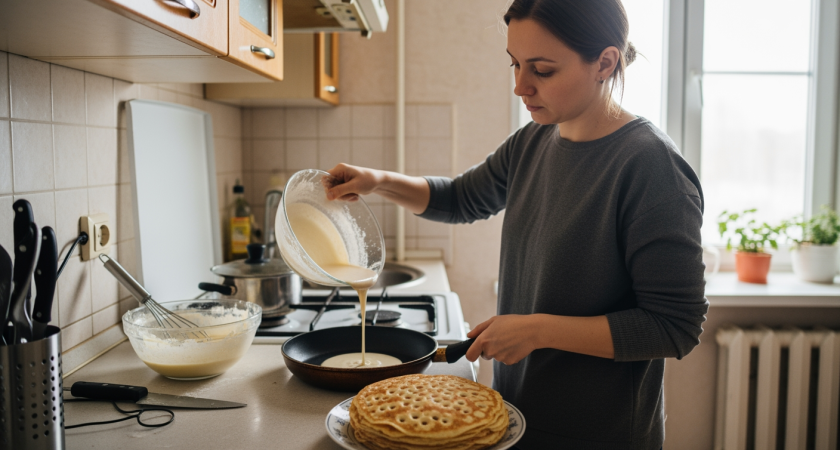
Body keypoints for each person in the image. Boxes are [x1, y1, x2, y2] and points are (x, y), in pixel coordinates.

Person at [323, 0, 709, 448]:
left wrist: (536, 329)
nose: (520, 86)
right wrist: (377, 182)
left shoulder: (650, 168)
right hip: (517, 419)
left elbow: (674, 325)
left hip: (597, 435)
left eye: (542, 70)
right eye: (515, 64)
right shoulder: (534, 140)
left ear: (605, 62)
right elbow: (462, 198)